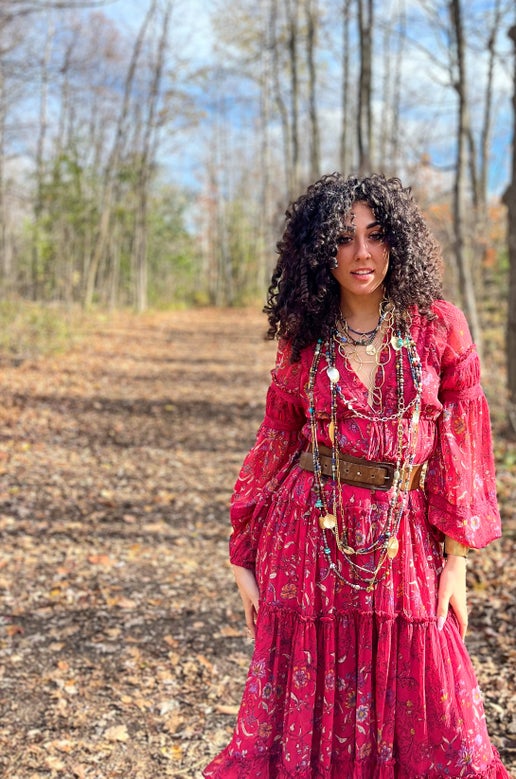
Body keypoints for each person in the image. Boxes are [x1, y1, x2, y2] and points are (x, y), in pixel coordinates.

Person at [203, 173, 510, 778]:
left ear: (398, 241)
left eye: (375, 235)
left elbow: (461, 444)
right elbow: (277, 439)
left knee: (440, 717)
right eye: (343, 239)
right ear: (321, 249)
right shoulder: (304, 337)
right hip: (309, 539)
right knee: (314, 708)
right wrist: (242, 548)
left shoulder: (439, 326)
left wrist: (458, 560)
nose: (361, 253)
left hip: (405, 541)